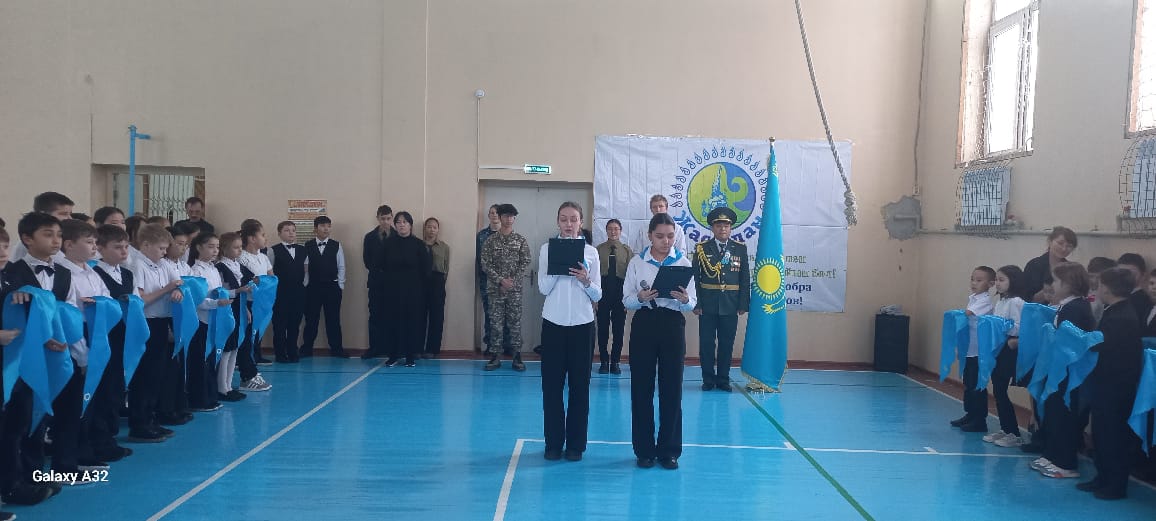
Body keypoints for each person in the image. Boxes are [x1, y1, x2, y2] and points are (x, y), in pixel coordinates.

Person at [623, 213, 697, 470]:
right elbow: (626, 299)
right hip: (644, 323)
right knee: (641, 388)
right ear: (649, 236)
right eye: (660, 236)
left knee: (672, 388)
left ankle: (669, 451)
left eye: (670, 236)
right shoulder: (637, 262)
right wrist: (640, 297)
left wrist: (685, 300)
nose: (666, 241)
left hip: (672, 325)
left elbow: (692, 303)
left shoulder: (684, 262)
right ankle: (644, 450)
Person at [538, 202, 602, 462]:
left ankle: (576, 445)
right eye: (563, 219)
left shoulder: (591, 252)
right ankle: (553, 443)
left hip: (582, 325)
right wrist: (559, 267)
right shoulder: (546, 249)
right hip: (553, 324)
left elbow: (598, 294)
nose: (568, 224)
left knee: (580, 387)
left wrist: (585, 280)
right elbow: (543, 288)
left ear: (581, 222)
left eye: (573, 219)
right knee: (552, 387)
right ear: (558, 221)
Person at [1079, 267, 1145, 499]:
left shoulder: (1122, 317)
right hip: (1106, 383)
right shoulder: (1115, 311)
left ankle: (1115, 485)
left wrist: (1082, 339)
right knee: (1101, 432)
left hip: (1116, 385)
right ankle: (1103, 476)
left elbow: (1103, 345)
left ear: (1106, 288)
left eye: (1099, 285)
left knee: (1113, 435)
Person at [1033, 262, 1095, 479]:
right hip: (1057, 369)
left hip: (1068, 371)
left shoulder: (1076, 308)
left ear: (1069, 284)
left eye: (1057, 281)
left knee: (1064, 415)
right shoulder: (1065, 306)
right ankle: (1052, 454)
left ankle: (1065, 462)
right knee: (1052, 412)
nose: (1053, 285)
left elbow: (1071, 341)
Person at [692, 207, 749, 392]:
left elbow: (744, 278)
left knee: (726, 344)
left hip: (730, 305)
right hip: (707, 304)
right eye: (718, 225)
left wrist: (743, 303)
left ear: (731, 228)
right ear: (712, 228)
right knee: (706, 344)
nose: (722, 229)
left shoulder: (740, 249)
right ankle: (708, 379)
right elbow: (695, 278)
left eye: (726, 225)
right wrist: (697, 303)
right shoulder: (701, 249)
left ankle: (723, 379)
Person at [480, 204, 531, 371]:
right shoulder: (490, 240)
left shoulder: (520, 240)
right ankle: (495, 356)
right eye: (505, 216)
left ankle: (517, 356)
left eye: (511, 216)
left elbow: (525, 262)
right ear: (500, 217)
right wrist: (501, 281)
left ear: (514, 218)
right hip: (495, 290)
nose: (509, 219)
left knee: (515, 323)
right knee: (495, 323)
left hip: (514, 291)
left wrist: (511, 281)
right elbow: (485, 264)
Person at [382, 212, 432, 367]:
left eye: (404, 222)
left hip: (413, 291)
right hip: (392, 291)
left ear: (410, 225)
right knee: (392, 323)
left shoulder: (418, 244)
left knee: (412, 323)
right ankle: (393, 355)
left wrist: (420, 289)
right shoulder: (388, 244)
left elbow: (426, 269)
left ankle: (410, 356)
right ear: (395, 225)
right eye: (398, 222)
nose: (401, 225)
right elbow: (381, 265)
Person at [984, 265, 1026, 447]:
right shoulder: (1001, 301)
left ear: (1013, 281)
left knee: (1001, 389)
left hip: (1009, 348)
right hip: (998, 348)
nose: (997, 284)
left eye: (1002, 280)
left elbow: (1019, 327)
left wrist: (1000, 325)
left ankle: (1014, 433)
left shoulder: (1016, 302)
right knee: (997, 389)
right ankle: (1005, 428)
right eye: (997, 280)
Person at [950, 266, 995, 432]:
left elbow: (967, 314)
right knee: (968, 384)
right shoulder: (973, 298)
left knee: (977, 385)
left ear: (990, 284)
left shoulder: (985, 301)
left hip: (979, 351)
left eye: (979, 280)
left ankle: (979, 420)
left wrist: (953, 315)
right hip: (969, 349)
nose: (974, 283)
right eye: (972, 279)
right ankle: (970, 414)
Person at [301, 216, 348, 358]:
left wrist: (340, 284)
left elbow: (341, 266)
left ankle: (337, 349)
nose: (326, 229)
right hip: (313, 288)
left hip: (332, 287)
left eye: (328, 226)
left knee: (333, 319)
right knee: (311, 319)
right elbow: (305, 268)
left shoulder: (336, 245)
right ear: (315, 229)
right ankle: (306, 348)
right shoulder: (307, 245)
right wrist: (306, 284)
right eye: (322, 226)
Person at [595, 219, 632, 374]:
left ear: (620, 231)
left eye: (616, 229)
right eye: (610, 229)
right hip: (603, 292)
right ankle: (604, 361)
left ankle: (615, 362)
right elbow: (594, 274)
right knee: (602, 329)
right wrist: (595, 298)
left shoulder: (627, 250)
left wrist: (627, 299)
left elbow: (631, 277)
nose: (613, 231)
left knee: (618, 330)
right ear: (606, 231)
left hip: (620, 293)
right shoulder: (598, 249)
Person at [268, 221, 306, 363]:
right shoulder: (273, 250)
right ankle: (280, 353)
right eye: (287, 230)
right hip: (280, 293)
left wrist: (303, 286)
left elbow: (306, 270)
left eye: (293, 230)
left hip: (298, 293)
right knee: (279, 324)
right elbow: (269, 272)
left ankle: (292, 351)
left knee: (294, 324)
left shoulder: (303, 250)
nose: (291, 233)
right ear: (279, 233)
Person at [362, 205, 392, 359]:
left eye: (388, 218)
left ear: (391, 218)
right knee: (375, 315)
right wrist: (378, 271)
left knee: (392, 315)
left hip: (393, 283)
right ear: (378, 218)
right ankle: (374, 348)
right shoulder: (369, 237)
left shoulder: (397, 236)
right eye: (383, 219)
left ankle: (392, 348)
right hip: (375, 282)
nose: (385, 222)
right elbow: (367, 260)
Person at [476, 204, 506, 353]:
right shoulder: (481, 235)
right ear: (488, 216)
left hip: (504, 282)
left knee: (506, 313)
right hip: (487, 281)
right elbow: (479, 259)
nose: (494, 215)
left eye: (497, 213)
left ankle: (507, 345)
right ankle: (491, 345)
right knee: (490, 314)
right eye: (492, 213)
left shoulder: (507, 234)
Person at [1022, 227, 1077, 304]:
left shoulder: (1071, 269)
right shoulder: (1034, 265)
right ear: (1050, 241)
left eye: (1069, 246)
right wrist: (1046, 292)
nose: (1064, 249)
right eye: (1060, 243)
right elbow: (1025, 299)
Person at [423, 217, 450, 358]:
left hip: (437, 282)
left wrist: (440, 283)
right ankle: (417, 347)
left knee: (437, 317)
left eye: (434, 227)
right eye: (429, 226)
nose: (431, 230)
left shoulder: (444, 247)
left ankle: (432, 349)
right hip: (421, 283)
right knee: (419, 316)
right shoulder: (418, 245)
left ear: (438, 229)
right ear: (425, 228)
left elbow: (446, 269)